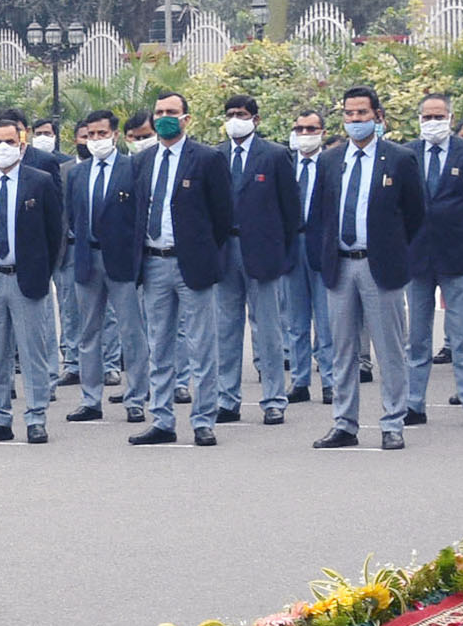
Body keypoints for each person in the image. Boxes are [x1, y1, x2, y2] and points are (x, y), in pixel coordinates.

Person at [116, 92, 235, 447]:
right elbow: (136, 212)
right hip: (153, 263)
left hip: (191, 263)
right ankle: (162, 420)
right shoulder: (143, 160)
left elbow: (223, 216)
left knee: (201, 345)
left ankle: (203, 420)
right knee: (159, 345)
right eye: (159, 112)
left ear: (186, 118)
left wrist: (201, 250)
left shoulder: (208, 159)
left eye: (172, 112)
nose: (164, 117)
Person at [312, 87, 422, 450]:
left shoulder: (400, 159)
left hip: (380, 267)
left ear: (378, 116)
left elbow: (415, 215)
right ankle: (344, 423)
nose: (355, 120)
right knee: (342, 349)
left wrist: (393, 249)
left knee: (389, 349)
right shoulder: (330, 161)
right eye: (349, 114)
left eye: (362, 113)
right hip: (340, 266)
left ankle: (393, 422)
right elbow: (319, 215)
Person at [0, 117, 66, 442]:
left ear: (23, 144)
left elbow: (55, 232)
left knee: (32, 352)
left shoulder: (40, 181)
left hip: (27, 279)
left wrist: (42, 269)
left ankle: (36, 418)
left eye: (11, 142)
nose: (4, 148)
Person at [208, 95, 302, 426]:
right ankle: (226, 399)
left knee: (269, 330)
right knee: (225, 329)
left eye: (242, 114)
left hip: (263, 252)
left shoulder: (275, 156)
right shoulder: (214, 156)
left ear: (256, 119)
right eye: (231, 114)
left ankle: (274, 399)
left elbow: (291, 211)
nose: (236, 119)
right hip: (225, 251)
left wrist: (282, 253)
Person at [401, 92, 463, 428]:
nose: (432, 123)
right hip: (417, 257)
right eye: (427, 117)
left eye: (438, 117)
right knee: (417, 337)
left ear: (451, 119)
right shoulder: (407, 154)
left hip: (458, 255)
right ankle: (413, 404)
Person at [59, 110, 127, 422]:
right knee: (88, 332)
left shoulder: (131, 167)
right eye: (91, 135)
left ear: (115, 134)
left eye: (102, 134)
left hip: (120, 259)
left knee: (131, 330)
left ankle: (136, 397)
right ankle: (90, 399)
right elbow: (71, 216)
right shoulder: (76, 173)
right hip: (86, 258)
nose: (96, 140)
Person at [280, 109, 336, 406]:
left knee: (326, 321)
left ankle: (329, 380)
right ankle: (300, 381)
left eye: (311, 129)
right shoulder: (286, 164)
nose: (304, 134)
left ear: (322, 132)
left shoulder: (331, 164)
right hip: (292, 247)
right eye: (299, 129)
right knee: (295, 321)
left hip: (322, 246)